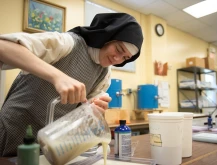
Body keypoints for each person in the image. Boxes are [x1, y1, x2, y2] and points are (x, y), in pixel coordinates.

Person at [0, 13, 143, 156]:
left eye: (125, 57)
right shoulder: (68, 43)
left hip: (50, 145)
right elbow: (3, 47)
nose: (118, 59)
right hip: (12, 131)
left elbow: (84, 115)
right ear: (107, 36)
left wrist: (93, 110)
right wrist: (57, 76)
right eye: (118, 49)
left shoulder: (104, 74)